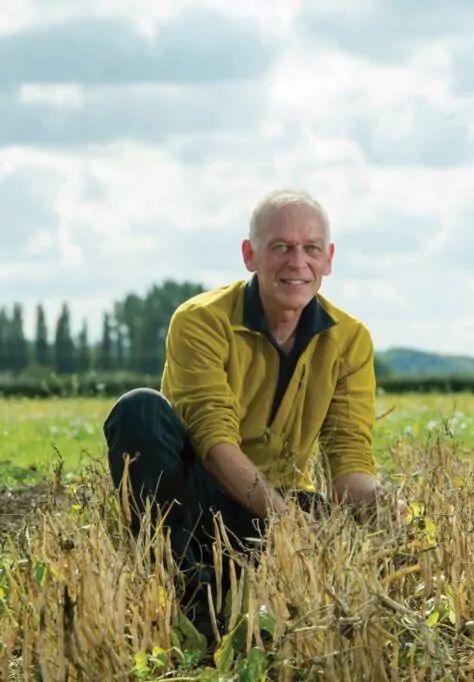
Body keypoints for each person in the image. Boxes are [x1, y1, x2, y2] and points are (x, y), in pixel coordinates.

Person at [103, 189, 383, 636]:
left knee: (337, 537)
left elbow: (348, 457)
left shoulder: (350, 339)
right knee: (139, 409)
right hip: (195, 503)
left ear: (328, 259)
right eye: (281, 247)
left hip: (275, 503)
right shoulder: (201, 320)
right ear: (250, 255)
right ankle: (185, 592)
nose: (298, 262)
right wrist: (288, 522)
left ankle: (255, 594)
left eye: (311, 248)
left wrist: (383, 511)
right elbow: (214, 444)